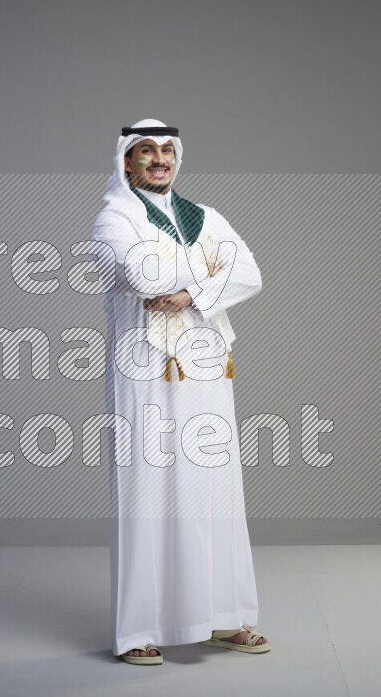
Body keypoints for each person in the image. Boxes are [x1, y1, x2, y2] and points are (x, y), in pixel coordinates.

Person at [90, 119, 270, 665]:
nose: (159, 160)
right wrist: (208, 272)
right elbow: (141, 277)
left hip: (206, 366)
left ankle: (223, 617)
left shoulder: (206, 216)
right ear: (127, 162)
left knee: (214, 488)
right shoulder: (112, 217)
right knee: (148, 491)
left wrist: (189, 289)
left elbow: (252, 274)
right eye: (147, 152)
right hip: (144, 367)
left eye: (167, 151)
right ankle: (138, 631)